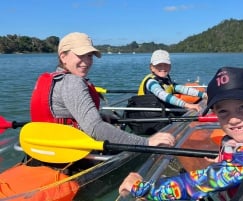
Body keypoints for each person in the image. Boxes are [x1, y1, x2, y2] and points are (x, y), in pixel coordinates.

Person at [119, 66, 243, 200]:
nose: (234, 119)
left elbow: (197, 184)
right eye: (223, 112)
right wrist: (225, 160)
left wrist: (138, 186)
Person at [30, 32, 175, 150]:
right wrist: (146, 142)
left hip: (47, 148)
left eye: (89, 56)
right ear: (63, 56)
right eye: (81, 55)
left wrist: (98, 115)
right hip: (72, 153)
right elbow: (96, 129)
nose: (87, 62)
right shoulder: (73, 82)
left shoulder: (54, 79)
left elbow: (66, 112)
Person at [137, 49, 207, 112]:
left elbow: (183, 89)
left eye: (166, 65)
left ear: (170, 67)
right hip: (150, 117)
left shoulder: (167, 81)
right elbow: (163, 95)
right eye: (159, 65)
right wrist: (188, 105)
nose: (163, 68)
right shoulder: (151, 82)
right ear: (152, 68)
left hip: (162, 112)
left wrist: (203, 95)